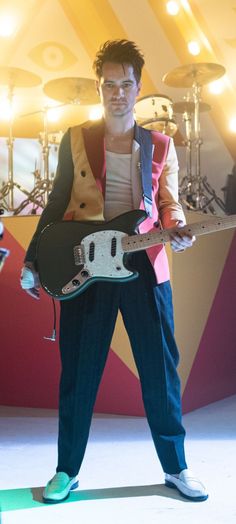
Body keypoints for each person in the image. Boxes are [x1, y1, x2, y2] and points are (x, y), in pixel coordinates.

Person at [21, 40, 208, 503]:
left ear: (138, 87)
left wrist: (177, 227)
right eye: (109, 84)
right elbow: (57, 202)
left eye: (126, 84)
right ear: (100, 87)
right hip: (88, 265)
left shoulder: (160, 144)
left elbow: (168, 202)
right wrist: (33, 260)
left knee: (160, 372)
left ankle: (177, 467)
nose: (117, 93)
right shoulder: (75, 138)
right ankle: (67, 470)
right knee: (79, 373)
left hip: (142, 264)